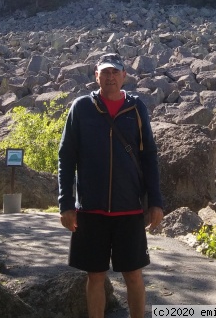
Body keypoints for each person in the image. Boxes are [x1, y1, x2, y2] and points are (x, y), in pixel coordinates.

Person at [58, 52, 164, 318]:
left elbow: (149, 156)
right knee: (95, 276)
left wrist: (156, 202)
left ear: (124, 76)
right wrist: (66, 204)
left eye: (115, 72)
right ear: (96, 76)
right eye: (105, 72)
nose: (110, 77)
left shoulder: (136, 108)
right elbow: (66, 156)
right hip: (91, 209)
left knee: (134, 275)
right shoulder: (81, 108)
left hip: (129, 208)